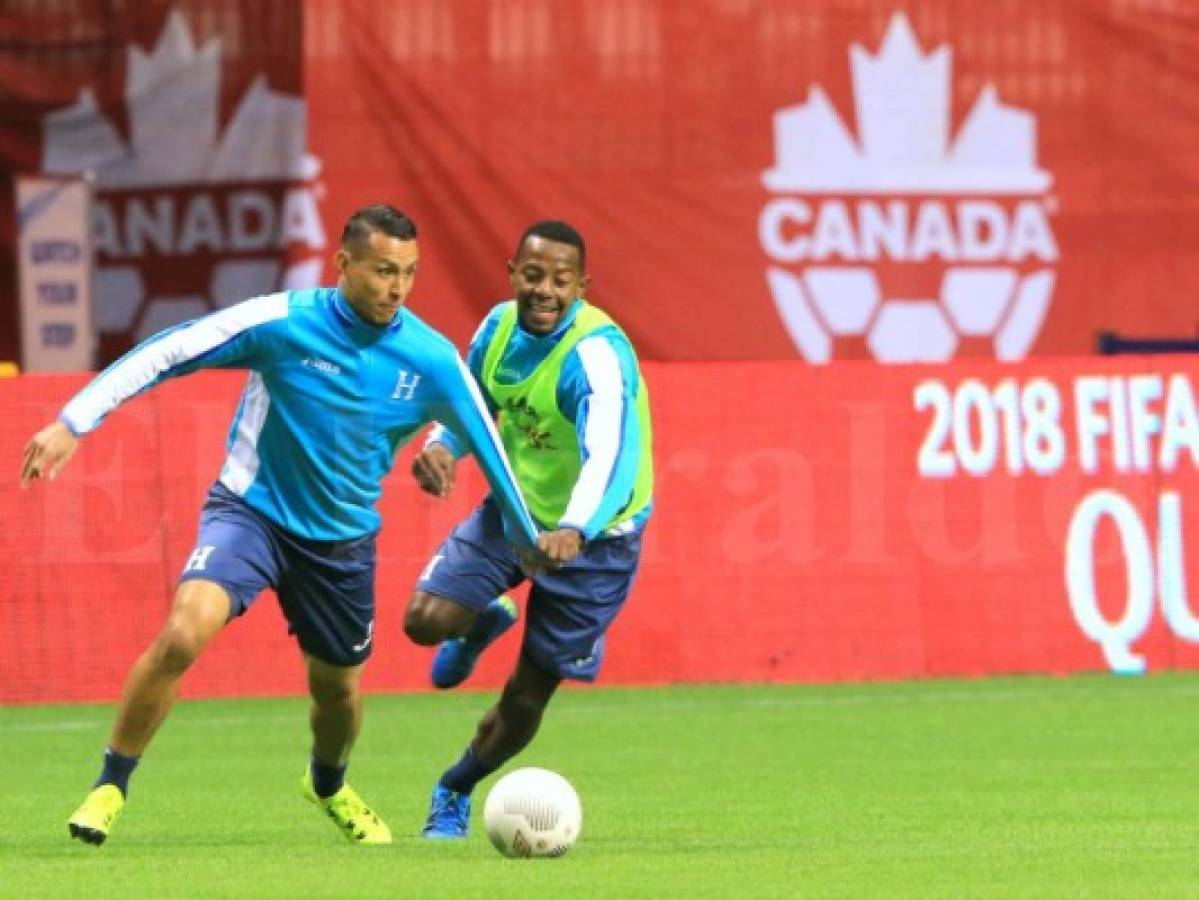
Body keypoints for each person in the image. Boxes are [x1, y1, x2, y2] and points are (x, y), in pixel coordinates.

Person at [19, 204, 554, 847]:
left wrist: (530, 543)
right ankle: (111, 784)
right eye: (384, 270)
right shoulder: (282, 322)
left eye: (409, 273)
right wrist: (74, 421)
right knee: (184, 633)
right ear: (344, 264)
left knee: (337, 698)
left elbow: (491, 450)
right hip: (251, 515)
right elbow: (172, 348)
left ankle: (328, 785)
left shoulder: (432, 359)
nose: (397, 287)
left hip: (342, 545)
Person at [403, 220, 653, 838]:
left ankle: (454, 788)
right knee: (423, 620)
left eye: (561, 280)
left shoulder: (595, 355)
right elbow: (474, 406)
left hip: (597, 539)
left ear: (581, 287)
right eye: (533, 275)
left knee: (526, 695)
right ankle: (479, 619)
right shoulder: (496, 329)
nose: (545, 290)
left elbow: (611, 456)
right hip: (516, 511)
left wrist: (577, 528)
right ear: (513, 272)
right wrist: (441, 446)